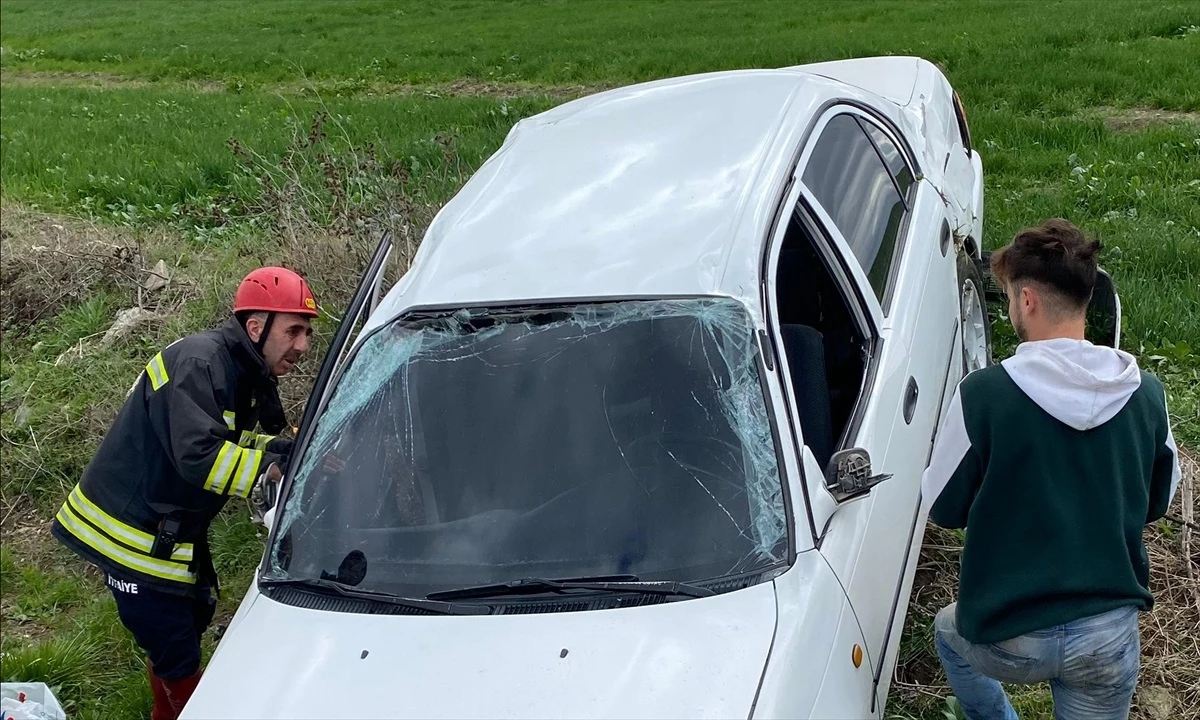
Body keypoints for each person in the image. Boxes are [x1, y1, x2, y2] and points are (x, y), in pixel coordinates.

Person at [921, 219, 1181, 720]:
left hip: (1008, 634)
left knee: (948, 633)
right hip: (1106, 636)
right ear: (1087, 300)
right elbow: (1158, 500)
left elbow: (943, 507)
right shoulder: (1146, 393)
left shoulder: (984, 395)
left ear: (1028, 301)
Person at [50, 267, 318, 719]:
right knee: (176, 648)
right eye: (294, 330)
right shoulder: (200, 362)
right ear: (257, 327)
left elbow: (228, 440)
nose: (304, 346)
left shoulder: (238, 366)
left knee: (189, 623)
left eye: (307, 333)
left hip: (167, 524)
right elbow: (199, 455)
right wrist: (270, 474)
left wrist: (282, 451)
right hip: (128, 530)